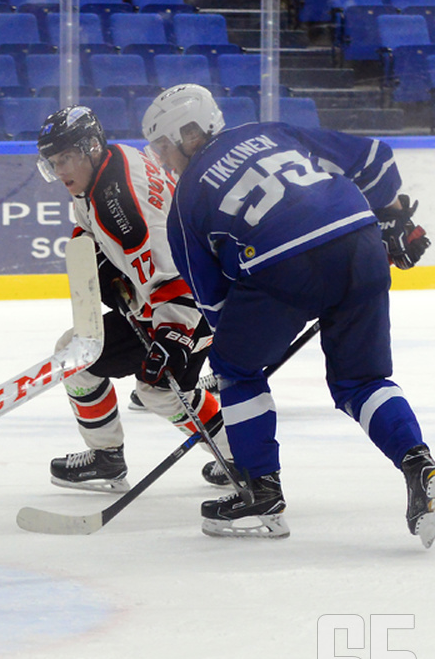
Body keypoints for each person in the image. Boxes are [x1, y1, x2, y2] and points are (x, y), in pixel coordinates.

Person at [141, 83, 434, 545]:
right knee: (362, 381)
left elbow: (215, 306)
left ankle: (262, 490)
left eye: (162, 148)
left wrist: (244, 352)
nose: (163, 160)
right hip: (360, 243)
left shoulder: (186, 203)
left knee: (234, 367)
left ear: (181, 138)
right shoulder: (271, 131)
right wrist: (396, 220)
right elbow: (375, 158)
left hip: (284, 267)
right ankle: (422, 469)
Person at [35, 106, 235, 494]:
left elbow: (173, 272)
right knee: (78, 357)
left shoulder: (122, 205)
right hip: (171, 296)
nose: (59, 171)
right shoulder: (116, 158)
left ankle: (243, 459)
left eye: (65, 159)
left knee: (158, 390)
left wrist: (174, 336)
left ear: (90, 148)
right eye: (53, 162)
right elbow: (90, 226)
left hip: (195, 303)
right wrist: (103, 261)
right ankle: (107, 459)